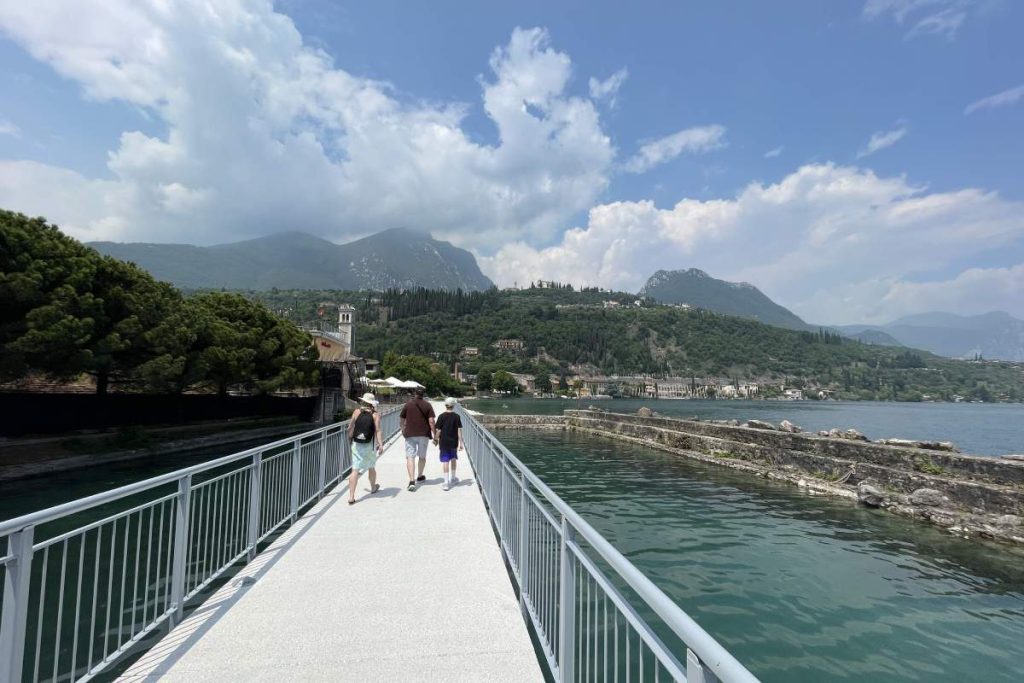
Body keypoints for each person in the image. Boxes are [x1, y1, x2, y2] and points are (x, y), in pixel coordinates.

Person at [347, 393, 383, 505]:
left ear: (363, 401)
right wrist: (380, 444)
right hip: (369, 445)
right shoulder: (375, 415)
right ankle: (373, 487)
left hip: (357, 444)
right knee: (371, 466)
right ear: (372, 403)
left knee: (355, 470)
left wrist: (349, 438)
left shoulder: (356, 412)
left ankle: (351, 497)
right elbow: (377, 430)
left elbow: (350, 427)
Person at [400, 386, 435, 491]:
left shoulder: (408, 404)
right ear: (423, 394)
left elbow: (402, 418)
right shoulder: (428, 405)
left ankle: (411, 481)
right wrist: (435, 435)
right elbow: (432, 422)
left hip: (410, 433)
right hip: (424, 434)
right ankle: (419, 476)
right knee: (422, 457)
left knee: (410, 457)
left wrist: (402, 429)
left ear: (415, 394)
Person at [433, 397, 464, 491]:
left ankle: (446, 483)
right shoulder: (457, 416)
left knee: (445, 461)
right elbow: (459, 431)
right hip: (453, 442)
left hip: (444, 442)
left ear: (445, 405)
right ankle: (453, 478)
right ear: (453, 406)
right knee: (453, 459)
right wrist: (461, 443)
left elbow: (438, 430)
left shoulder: (441, 416)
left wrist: (435, 439)